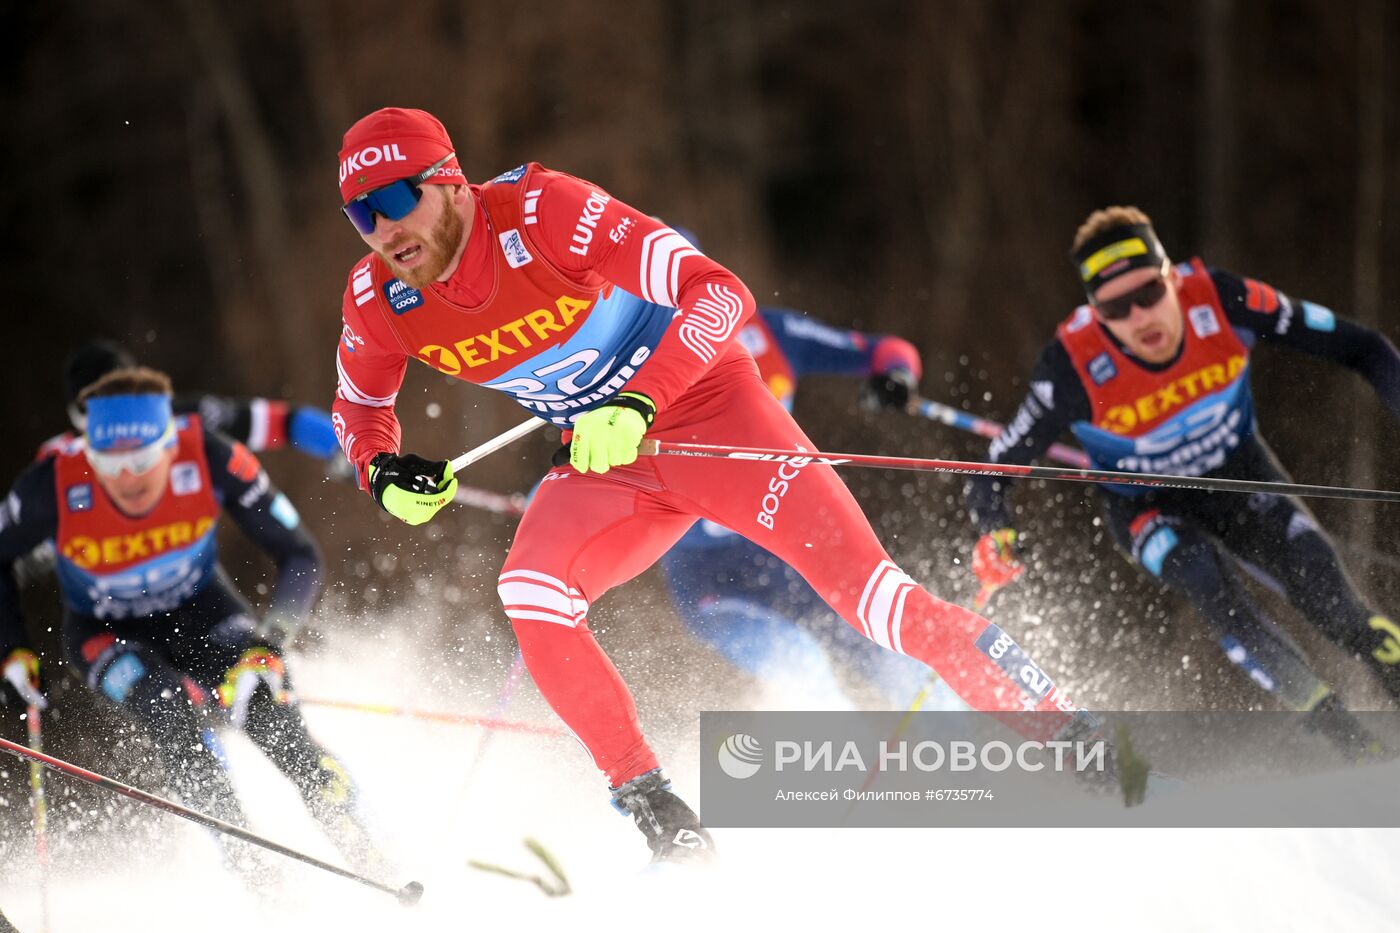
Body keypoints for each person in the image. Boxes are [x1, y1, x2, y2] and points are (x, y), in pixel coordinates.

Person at [330, 107, 1105, 864]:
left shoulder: (544, 213)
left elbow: (720, 292)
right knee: (531, 593)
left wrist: (639, 399)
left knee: (876, 603)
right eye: (361, 213)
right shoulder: (378, 299)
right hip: (612, 464)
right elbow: (359, 409)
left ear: (453, 184)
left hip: (712, 415)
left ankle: (1079, 740)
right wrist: (383, 470)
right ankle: (659, 814)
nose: (384, 228)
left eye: (398, 199)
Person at [965, 205, 1400, 727]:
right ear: (1096, 314)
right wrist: (997, 533)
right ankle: (1348, 739)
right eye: (1117, 309)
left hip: (1241, 475)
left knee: (1334, 605)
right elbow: (994, 470)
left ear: (1172, 276)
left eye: (1149, 293)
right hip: (1146, 505)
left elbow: (1367, 349)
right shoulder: (1070, 367)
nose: (1140, 318)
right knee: (1204, 577)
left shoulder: (1222, 300)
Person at [0, 367, 380, 882]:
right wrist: (13, 649)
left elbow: (299, 555)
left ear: (168, 444)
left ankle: (367, 844)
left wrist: (270, 642)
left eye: (141, 459)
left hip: (203, 614)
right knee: (163, 707)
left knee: (264, 704)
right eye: (107, 462)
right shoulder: (52, 483)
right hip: (105, 633)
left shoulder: (208, 454)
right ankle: (254, 871)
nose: (126, 478)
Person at [654, 273, 964, 711]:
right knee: (797, 661)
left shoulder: (767, 333)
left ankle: (976, 750)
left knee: (887, 652)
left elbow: (887, 352)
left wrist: (896, 377)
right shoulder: (634, 363)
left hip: (788, 548)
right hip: (712, 578)